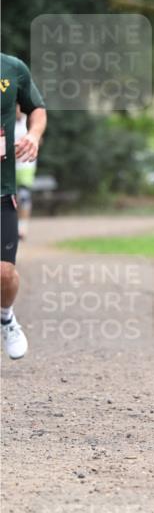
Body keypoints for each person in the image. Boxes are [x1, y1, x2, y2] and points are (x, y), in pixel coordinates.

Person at [1, 53, 47, 359]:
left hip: (2, 191)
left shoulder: (12, 68)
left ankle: (5, 318)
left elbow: (37, 109)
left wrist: (33, 134)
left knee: (4, 274)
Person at [15, 108, 37, 240]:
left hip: (25, 166)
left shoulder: (28, 123)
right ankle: (12, 226)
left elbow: (38, 141)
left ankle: (22, 228)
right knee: (10, 199)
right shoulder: (7, 122)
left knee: (23, 197)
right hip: (9, 167)